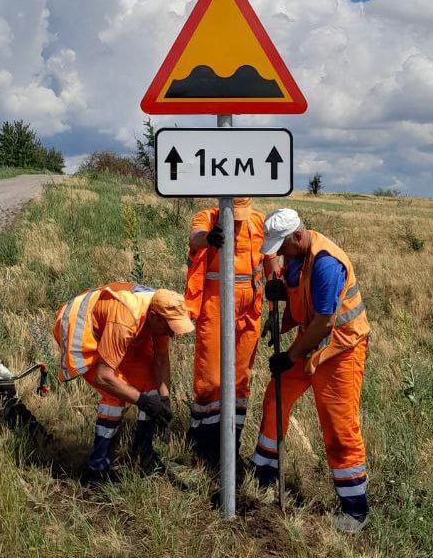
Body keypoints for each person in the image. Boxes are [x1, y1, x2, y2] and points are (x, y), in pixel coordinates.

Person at [251, 208, 371, 533]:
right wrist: (282, 320)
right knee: (276, 397)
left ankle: (355, 509)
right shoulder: (297, 257)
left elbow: (324, 321)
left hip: (340, 349)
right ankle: (263, 471)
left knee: (339, 425)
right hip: (310, 341)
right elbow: (300, 302)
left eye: (283, 247)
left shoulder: (326, 264)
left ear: (299, 236)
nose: (280, 254)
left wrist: (290, 356)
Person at [53, 281, 194, 483]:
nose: (173, 333)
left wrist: (164, 400)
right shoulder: (126, 318)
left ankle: (143, 455)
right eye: (171, 328)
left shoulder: (160, 312)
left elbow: (161, 358)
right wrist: (143, 401)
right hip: (81, 326)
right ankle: (97, 468)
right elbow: (104, 377)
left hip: (117, 327)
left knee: (150, 385)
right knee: (115, 393)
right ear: (154, 318)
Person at [185, 197, 275, 467]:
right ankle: (204, 447)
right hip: (215, 305)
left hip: (250, 310)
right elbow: (195, 237)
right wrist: (209, 238)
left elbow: (270, 262)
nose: (237, 220)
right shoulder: (207, 217)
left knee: (240, 381)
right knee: (210, 379)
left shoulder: (259, 221)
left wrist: (275, 298)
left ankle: (230, 449)